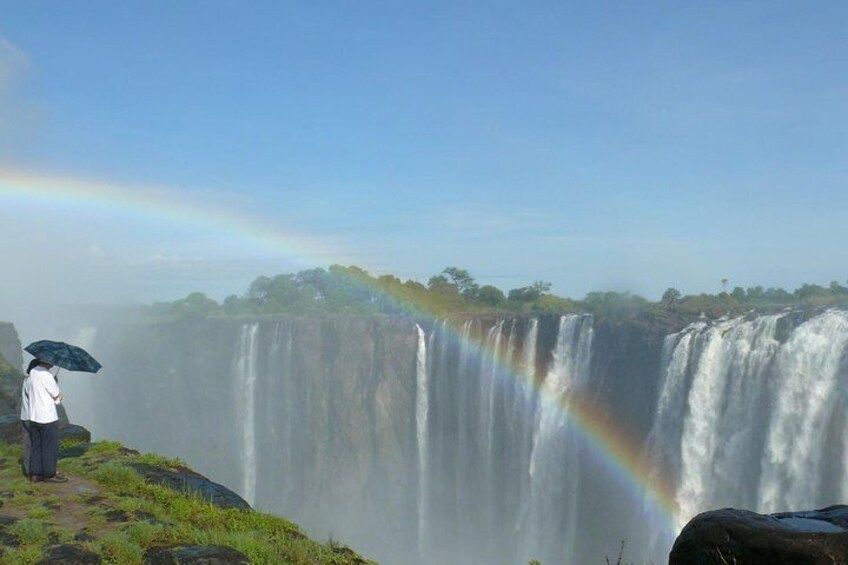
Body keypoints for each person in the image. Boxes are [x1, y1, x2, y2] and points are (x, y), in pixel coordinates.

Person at [24, 360, 67, 483]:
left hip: (34, 416)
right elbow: (56, 395)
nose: (53, 363)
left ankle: (35, 475)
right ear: (47, 362)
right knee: (49, 446)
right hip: (47, 417)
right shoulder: (47, 375)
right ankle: (49, 474)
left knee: (37, 446)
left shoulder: (32, 372)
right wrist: (56, 386)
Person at [19, 358, 39, 477]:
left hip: (25, 416)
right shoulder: (33, 381)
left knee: (28, 444)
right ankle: (35, 471)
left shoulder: (26, 380)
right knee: (36, 444)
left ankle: (28, 470)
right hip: (33, 417)